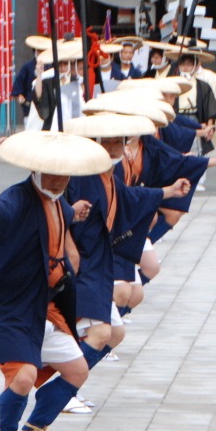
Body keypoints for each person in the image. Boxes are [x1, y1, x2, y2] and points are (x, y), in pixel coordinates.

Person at [0, 131, 110, 431]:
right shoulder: (16, 198)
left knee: (76, 370)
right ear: (37, 171)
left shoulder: (59, 202)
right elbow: (6, 214)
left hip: (46, 307)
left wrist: (74, 210)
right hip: (12, 307)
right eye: (53, 175)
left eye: (64, 176)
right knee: (24, 377)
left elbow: (61, 217)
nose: (58, 181)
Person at [60, 114, 189, 413]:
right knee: (101, 332)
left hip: (101, 259)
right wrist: (71, 226)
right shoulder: (82, 173)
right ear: (97, 143)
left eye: (120, 140)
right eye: (109, 141)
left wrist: (167, 192)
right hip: (84, 262)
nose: (116, 146)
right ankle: (64, 387)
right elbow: (60, 209)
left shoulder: (108, 174)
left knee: (114, 334)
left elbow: (129, 196)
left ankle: (67, 377)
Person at [11, 35, 50, 127]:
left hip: (48, 107)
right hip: (30, 107)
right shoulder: (27, 67)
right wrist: (20, 96)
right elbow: (18, 86)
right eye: (39, 50)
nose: (41, 53)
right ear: (35, 51)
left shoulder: (51, 67)